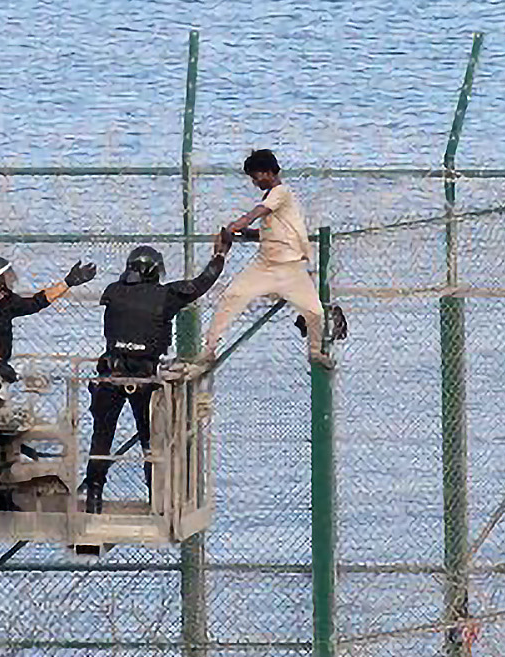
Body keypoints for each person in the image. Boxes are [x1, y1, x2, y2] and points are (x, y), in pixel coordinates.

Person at [81, 234, 232, 512]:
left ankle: (93, 496)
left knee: (101, 438)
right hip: (146, 377)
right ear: (153, 272)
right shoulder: (165, 295)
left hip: (110, 375)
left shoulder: (113, 291)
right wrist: (219, 257)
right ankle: (155, 499)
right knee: (151, 441)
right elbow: (200, 285)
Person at [201, 148, 329, 365]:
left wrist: (234, 227)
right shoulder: (272, 199)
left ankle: (315, 352)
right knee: (231, 297)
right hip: (265, 266)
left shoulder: (281, 192)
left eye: (256, 176)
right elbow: (269, 232)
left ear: (268, 172)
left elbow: (254, 214)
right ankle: (209, 350)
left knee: (314, 312)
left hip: (292, 269)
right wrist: (245, 233)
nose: (254, 181)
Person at [0, 255, 97, 414]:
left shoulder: (5, 302)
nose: (11, 279)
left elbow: (35, 302)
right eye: (5, 276)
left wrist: (67, 283)